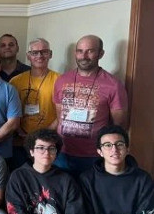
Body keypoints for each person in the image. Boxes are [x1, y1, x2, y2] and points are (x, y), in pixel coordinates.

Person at [53, 35, 128, 177]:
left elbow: (119, 126)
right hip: (62, 152)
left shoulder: (113, 85)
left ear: (101, 53)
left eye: (90, 51)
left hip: (94, 155)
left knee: (91, 197)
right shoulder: (61, 80)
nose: (84, 56)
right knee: (62, 196)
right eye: (80, 51)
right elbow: (59, 116)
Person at [9, 38, 59, 171]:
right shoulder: (15, 81)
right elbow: (10, 111)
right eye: (35, 52)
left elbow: (63, 113)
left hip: (47, 143)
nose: (39, 56)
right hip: (20, 142)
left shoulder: (59, 80)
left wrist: (44, 134)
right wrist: (19, 131)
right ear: (28, 56)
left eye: (44, 52)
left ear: (50, 54)